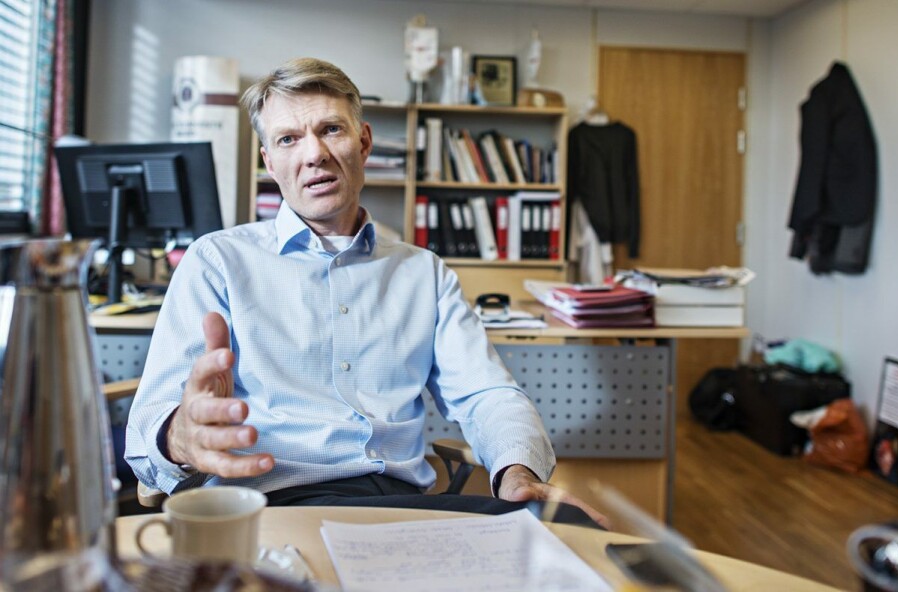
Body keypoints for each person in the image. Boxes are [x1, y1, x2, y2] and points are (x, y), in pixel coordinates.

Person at [125, 57, 605, 527]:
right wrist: (180, 439)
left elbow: (485, 393)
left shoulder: (424, 274)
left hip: (398, 509)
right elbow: (149, 427)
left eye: (331, 129)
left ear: (364, 140)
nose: (313, 154)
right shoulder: (218, 261)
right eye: (289, 139)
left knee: (569, 532)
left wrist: (515, 469)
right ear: (270, 163)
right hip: (270, 509)